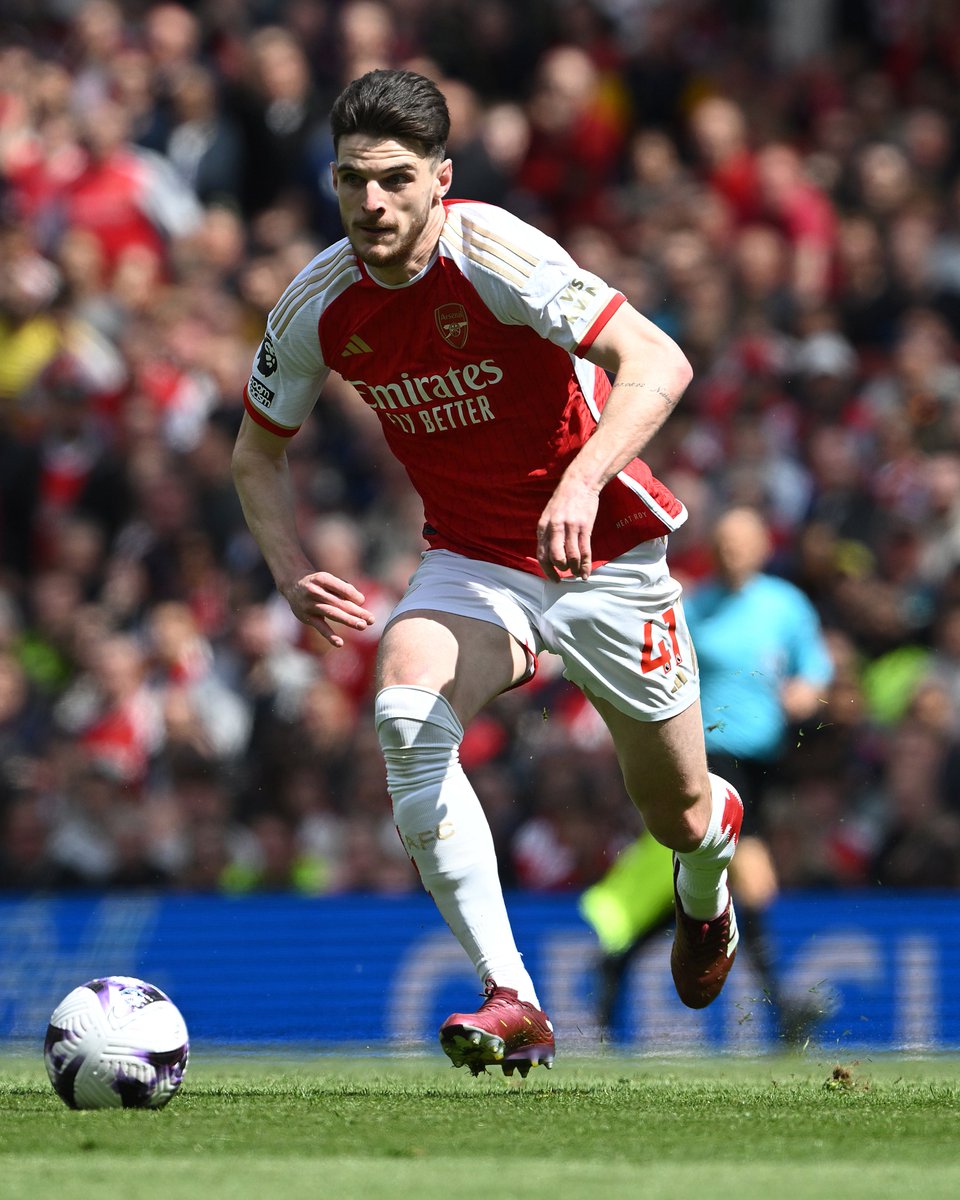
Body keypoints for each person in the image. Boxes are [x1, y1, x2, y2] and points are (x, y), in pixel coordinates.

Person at [231, 68, 743, 1077]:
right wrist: (291, 571)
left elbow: (661, 361)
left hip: (602, 553)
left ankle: (707, 875)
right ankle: (515, 999)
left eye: (393, 180)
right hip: (472, 557)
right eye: (350, 182)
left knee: (676, 812)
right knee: (404, 708)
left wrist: (584, 482)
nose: (370, 203)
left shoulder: (496, 252)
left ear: (440, 179)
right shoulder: (319, 303)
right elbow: (255, 452)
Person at [582, 506, 834, 1043]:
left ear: (764, 546)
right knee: (750, 881)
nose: (730, 552)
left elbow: (814, 665)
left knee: (729, 888)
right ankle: (783, 1013)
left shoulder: (783, 606)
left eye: (740, 543)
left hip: (764, 766)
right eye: (722, 542)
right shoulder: (694, 606)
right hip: (711, 762)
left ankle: (619, 962)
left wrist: (805, 691)